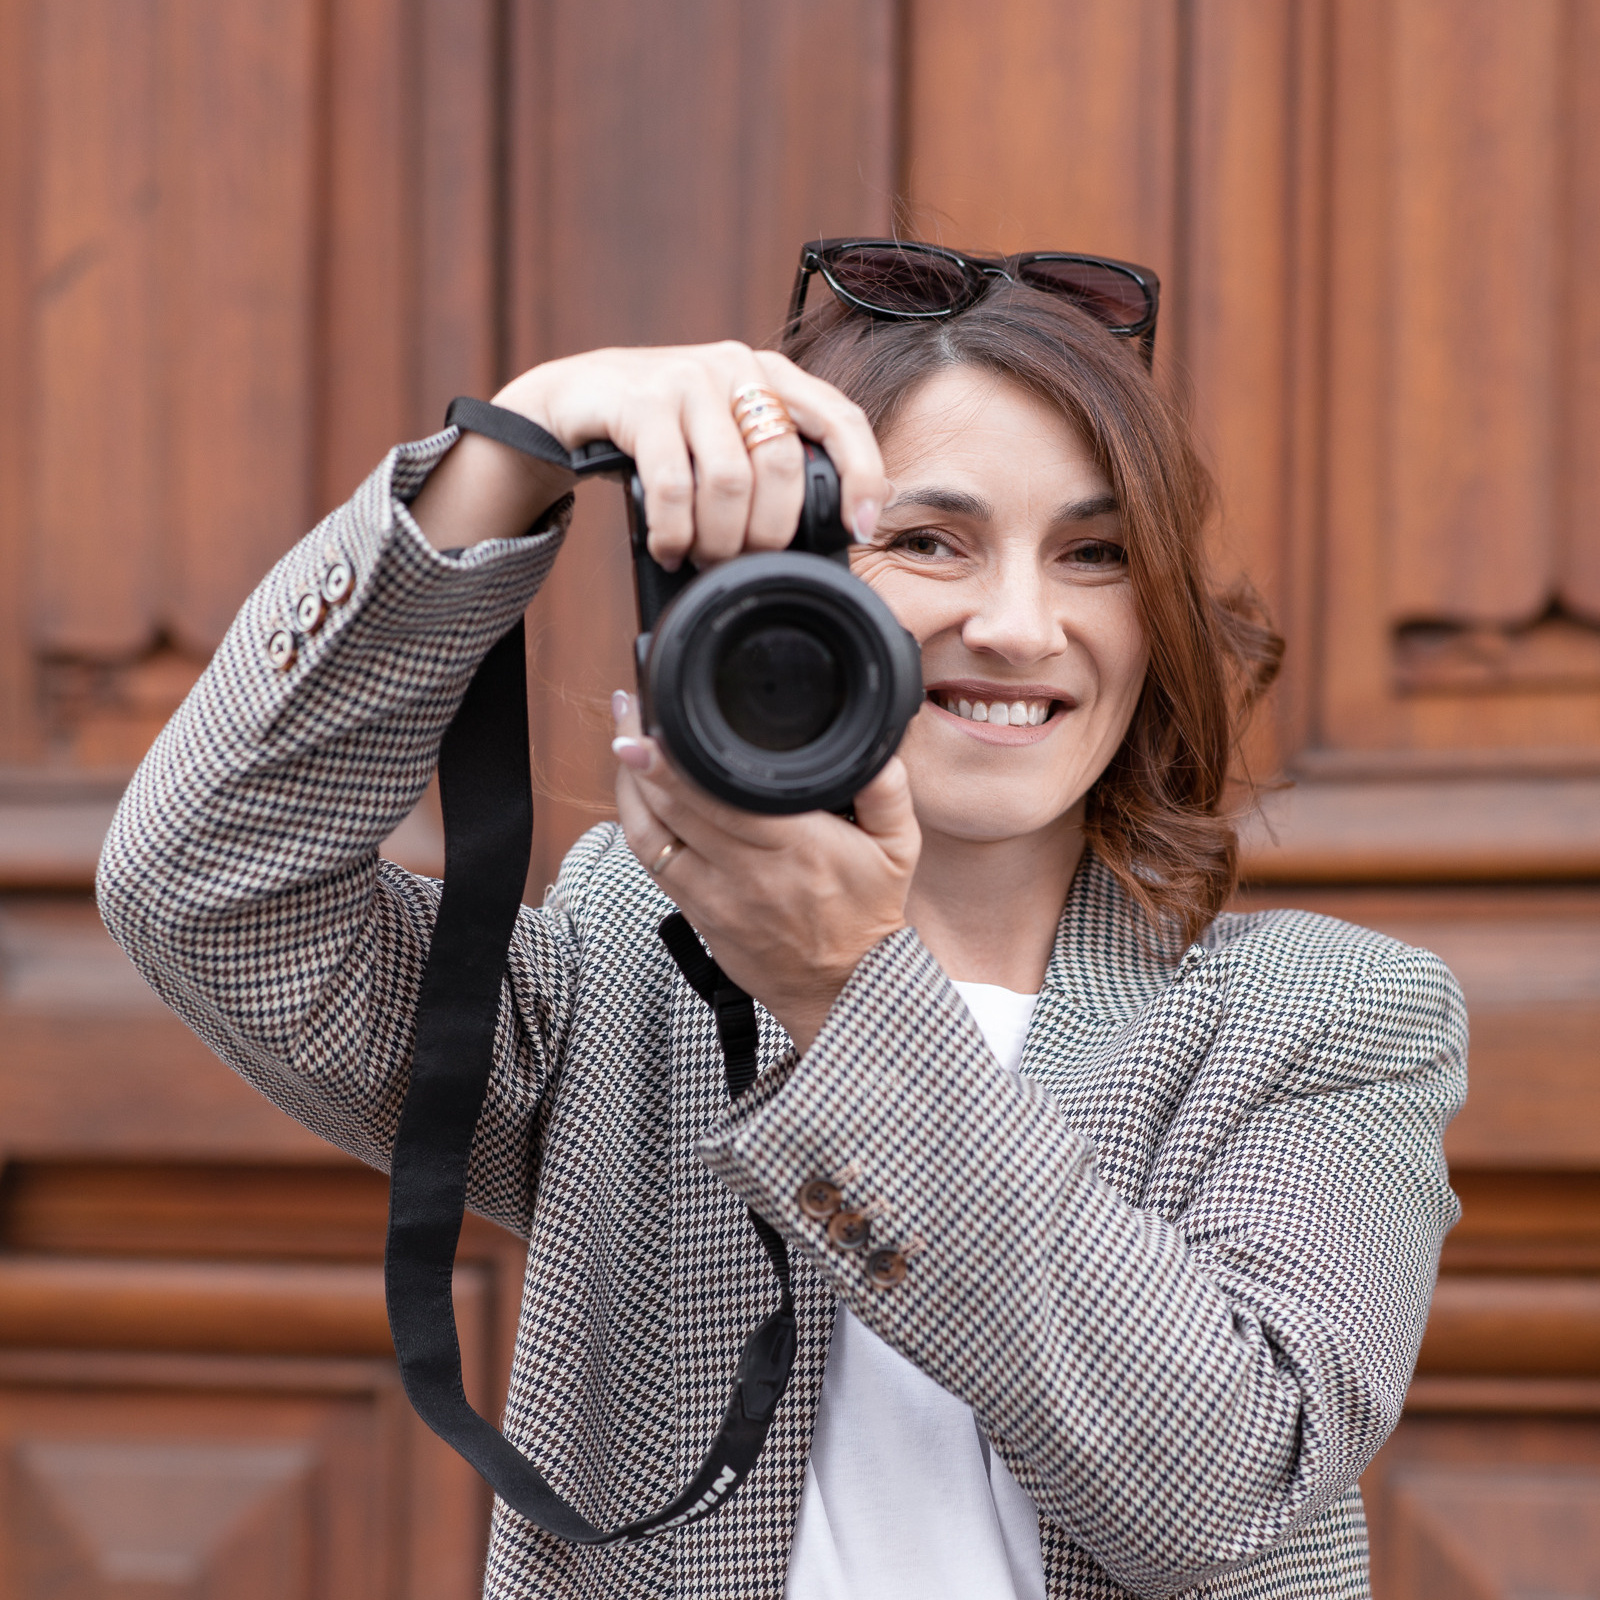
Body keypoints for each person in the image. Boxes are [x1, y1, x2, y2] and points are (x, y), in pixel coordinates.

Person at [97, 240, 1467, 1600]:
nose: (1020, 624)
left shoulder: (1327, 1016)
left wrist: (844, 994)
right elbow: (203, 885)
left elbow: (1221, 1488)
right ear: (784, 576)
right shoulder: (634, 964)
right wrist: (510, 452)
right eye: (931, 540)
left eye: (1095, 553)